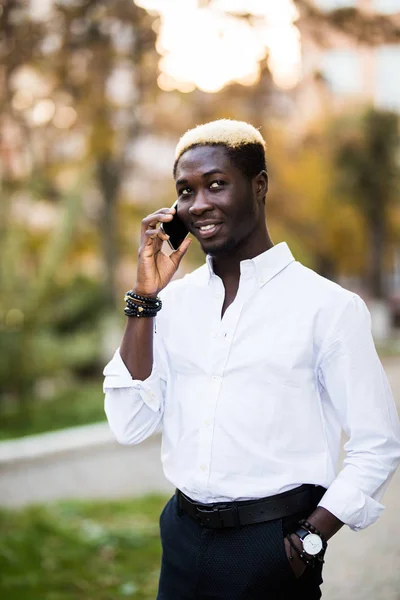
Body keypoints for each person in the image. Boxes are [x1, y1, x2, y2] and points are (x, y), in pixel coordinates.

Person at [103, 119, 400, 600]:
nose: (198, 205)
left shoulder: (327, 307)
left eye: (216, 184)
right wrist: (143, 297)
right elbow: (129, 424)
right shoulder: (170, 306)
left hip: (272, 547)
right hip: (181, 537)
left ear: (259, 186)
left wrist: (306, 541)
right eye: (185, 191)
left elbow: (378, 444)